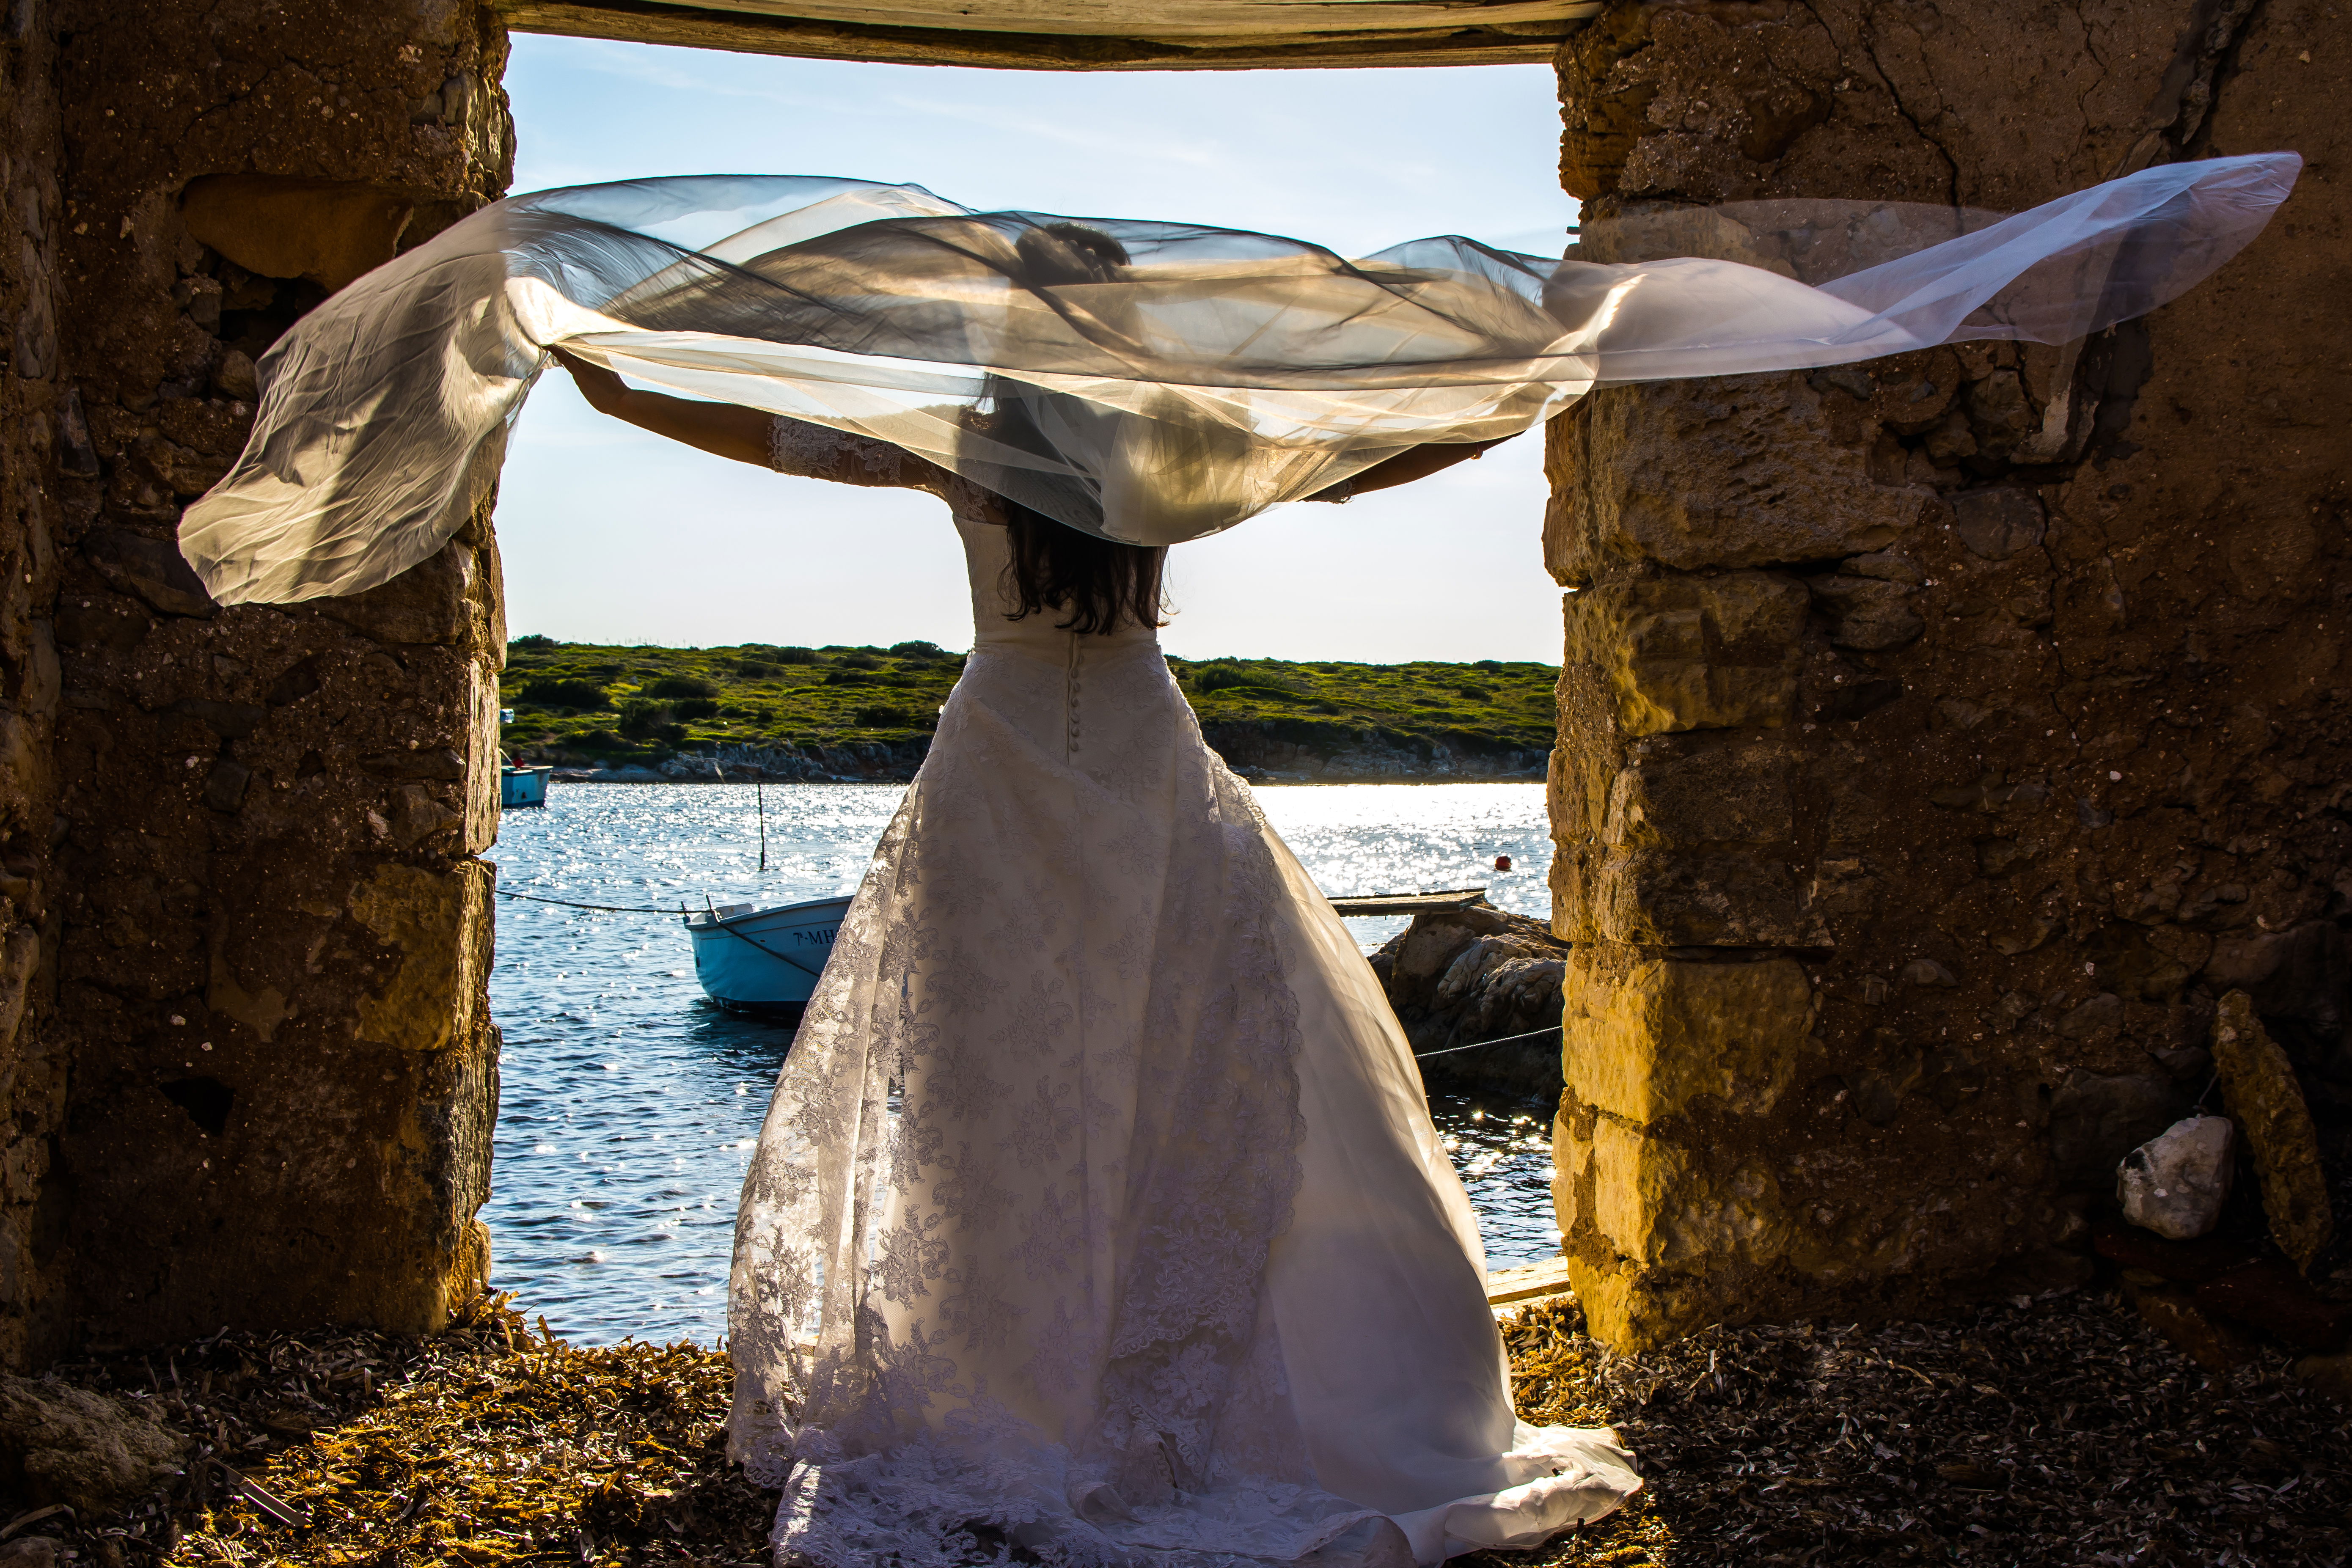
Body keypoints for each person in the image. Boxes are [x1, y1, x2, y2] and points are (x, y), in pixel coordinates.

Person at [550, 346, 1641, 1567]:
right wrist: (1501, 411)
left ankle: (1024, 1378)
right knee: (1195, 1082)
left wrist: (604, 379)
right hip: (1142, 767)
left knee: (994, 1091)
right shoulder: (1163, 458)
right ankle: (1221, 1388)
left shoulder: (966, 455)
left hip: (1000, 773)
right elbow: (1349, 469)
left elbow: (765, 431)